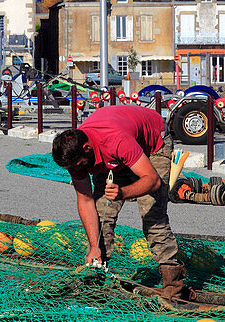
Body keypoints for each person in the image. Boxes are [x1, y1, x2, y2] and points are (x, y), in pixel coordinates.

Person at [51, 105, 188, 300]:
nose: (79, 170)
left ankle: (173, 286)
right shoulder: (75, 157)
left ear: (87, 148)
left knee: (152, 216)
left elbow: (153, 181)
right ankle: (97, 273)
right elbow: (85, 200)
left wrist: (122, 192)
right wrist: (93, 246)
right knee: (101, 216)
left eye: (81, 165)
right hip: (116, 156)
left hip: (153, 145)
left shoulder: (115, 141)